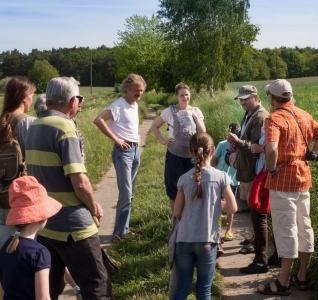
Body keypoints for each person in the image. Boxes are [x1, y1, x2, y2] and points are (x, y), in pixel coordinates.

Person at [25, 76, 110, 299]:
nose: (79, 104)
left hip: (46, 225)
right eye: (79, 99)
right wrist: (93, 207)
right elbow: (79, 181)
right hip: (73, 226)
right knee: (97, 286)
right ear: (72, 101)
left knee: (51, 288)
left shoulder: (34, 126)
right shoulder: (65, 127)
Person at [258, 79, 318, 296]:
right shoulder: (303, 115)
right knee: (304, 226)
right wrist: (313, 154)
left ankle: (282, 281)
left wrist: (271, 168)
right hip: (303, 178)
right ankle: (302, 276)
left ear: (272, 97)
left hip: (282, 182)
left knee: (285, 229)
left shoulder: (274, 119)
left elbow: (271, 149)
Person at [171, 132, 237, 299]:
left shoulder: (184, 179)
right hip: (207, 242)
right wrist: (217, 205)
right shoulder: (221, 177)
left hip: (184, 240)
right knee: (204, 290)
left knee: (183, 287)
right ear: (213, 150)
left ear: (191, 152)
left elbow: (177, 212)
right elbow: (233, 207)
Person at [0, 76, 36, 248]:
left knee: (6, 252)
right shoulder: (29, 123)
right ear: (24, 96)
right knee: (30, 252)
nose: (33, 99)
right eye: (31, 94)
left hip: (2, 198)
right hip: (27, 198)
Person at [94, 73, 146, 241]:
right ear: (127, 89)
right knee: (126, 192)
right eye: (136, 90)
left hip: (135, 150)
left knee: (130, 194)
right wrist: (116, 139)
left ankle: (125, 230)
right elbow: (99, 120)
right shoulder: (119, 104)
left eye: (141, 91)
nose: (139, 94)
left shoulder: (134, 105)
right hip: (123, 152)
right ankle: (118, 234)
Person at [227, 85, 270, 274]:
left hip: (255, 171)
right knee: (257, 215)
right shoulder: (249, 114)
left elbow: (254, 147)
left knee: (258, 215)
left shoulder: (260, 117)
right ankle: (258, 247)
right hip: (248, 170)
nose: (243, 102)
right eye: (241, 99)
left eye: (246, 98)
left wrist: (237, 142)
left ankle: (261, 259)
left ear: (255, 96)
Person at [0, 176, 62, 300]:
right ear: (42, 217)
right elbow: (43, 298)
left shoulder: (6, 248)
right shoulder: (40, 253)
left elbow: (2, 295)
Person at [152, 83, 206, 211]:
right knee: (174, 189)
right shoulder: (169, 111)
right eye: (181, 95)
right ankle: (176, 221)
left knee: (192, 187)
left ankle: (189, 218)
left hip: (192, 156)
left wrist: (195, 117)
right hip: (174, 156)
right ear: (177, 96)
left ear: (190, 95)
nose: (184, 97)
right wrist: (163, 140)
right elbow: (155, 126)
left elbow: (203, 132)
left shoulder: (196, 111)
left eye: (186, 94)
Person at [211, 122, 240, 241]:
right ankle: (217, 229)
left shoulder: (240, 147)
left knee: (230, 207)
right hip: (219, 180)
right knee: (217, 205)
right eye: (231, 133)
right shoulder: (222, 144)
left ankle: (228, 230)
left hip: (232, 180)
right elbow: (214, 160)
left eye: (235, 133)